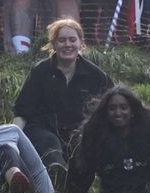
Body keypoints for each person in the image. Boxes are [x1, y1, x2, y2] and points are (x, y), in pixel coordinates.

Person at [12, 18, 112, 183]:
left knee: (81, 148)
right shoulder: (40, 71)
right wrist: (13, 138)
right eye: (62, 40)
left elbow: (111, 105)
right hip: (42, 130)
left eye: (72, 40)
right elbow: (22, 110)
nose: (67, 44)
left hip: (77, 133)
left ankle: (72, 178)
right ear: (53, 44)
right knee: (50, 142)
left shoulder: (95, 75)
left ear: (81, 43)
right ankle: (56, 172)